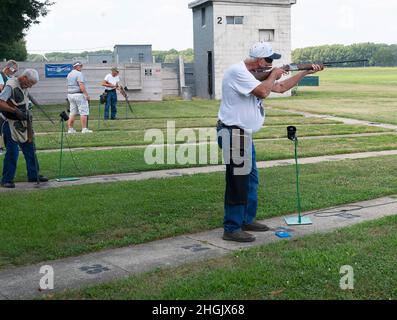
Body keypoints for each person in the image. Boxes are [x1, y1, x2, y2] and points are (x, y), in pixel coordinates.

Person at [217, 42, 323, 242]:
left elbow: (281, 87)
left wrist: (305, 72)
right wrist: (274, 73)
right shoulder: (237, 72)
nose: (271, 63)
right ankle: (231, 228)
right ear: (259, 60)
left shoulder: (252, 74)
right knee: (238, 182)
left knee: (251, 181)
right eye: (269, 60)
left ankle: (246, 220)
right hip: (233, 134)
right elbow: (264, 92)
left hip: (243, 135)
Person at [0, 69, 48, 189]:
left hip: (23, 123)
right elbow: (1, 103)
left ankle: (33, 175)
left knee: (30, 149)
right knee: (12, 152)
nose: (30, 87)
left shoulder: (23, 85)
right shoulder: (10, 85)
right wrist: (15, 110)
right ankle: (6, 180)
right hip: (10, 123)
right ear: (24, 77)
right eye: (30, 83)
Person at [66, 61, 92, 134]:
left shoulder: (69, 74)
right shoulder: (79, 74)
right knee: (84, 111)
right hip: (79, 94)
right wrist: (86, 95)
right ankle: (84, 129)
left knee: (72, 112)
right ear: (76, 67)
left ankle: (70, 129)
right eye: (80, 66)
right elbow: (81, 85)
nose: (81, 67)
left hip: (70, 95)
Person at [0, 60, 19, 155]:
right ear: (8, 68)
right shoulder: (1, 75)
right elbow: (1, 88)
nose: (15, 72)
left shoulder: (9, 77)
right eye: (14, 70)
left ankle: (7, 147)